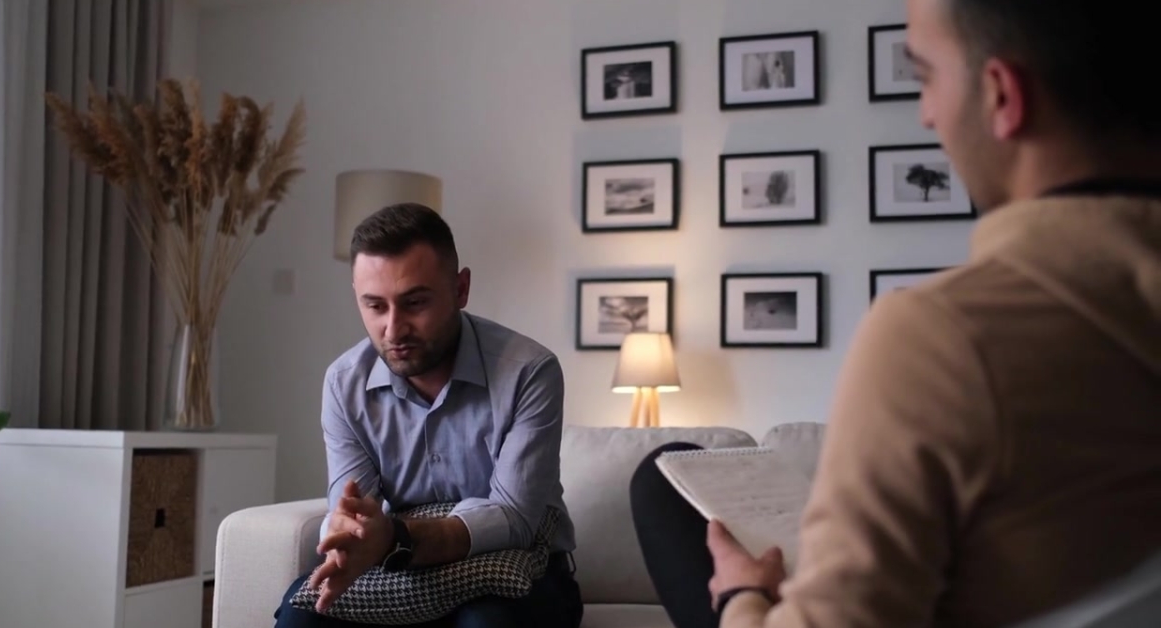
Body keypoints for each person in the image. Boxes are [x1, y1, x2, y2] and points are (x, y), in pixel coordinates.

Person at [631, 0, 1161, 627]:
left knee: (658, 487)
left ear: (1001, 96)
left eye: (926, 76)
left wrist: (741, 596)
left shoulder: (946, 339)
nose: (926, 113)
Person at [273, 203, 583, 628]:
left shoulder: (529, 371)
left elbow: (513, 517)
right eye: (375, 306)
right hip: (396, 576)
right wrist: (350, 531)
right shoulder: (344, 383)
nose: (394, 329)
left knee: (487, 624)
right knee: (301, 614)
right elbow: (356, 508)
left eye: (414, 302)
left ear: (460, 289)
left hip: (518, 573)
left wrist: (394, 538)